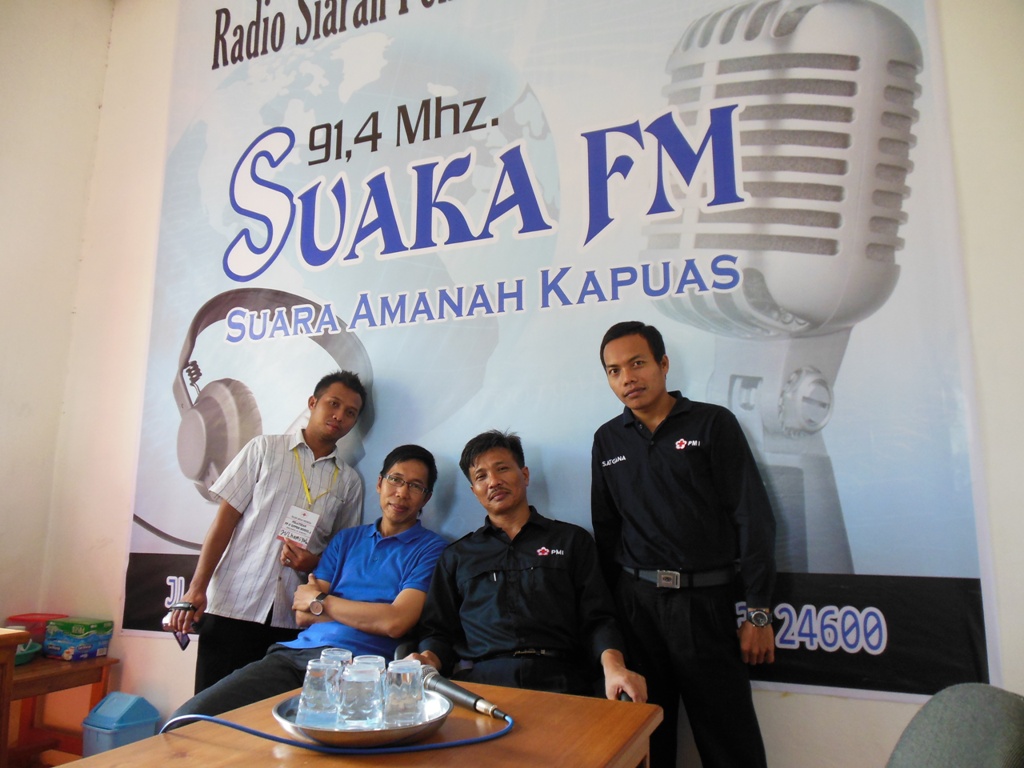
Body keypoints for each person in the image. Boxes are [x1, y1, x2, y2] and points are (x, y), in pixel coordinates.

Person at [591, 320, 777, 768]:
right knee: (645, 742)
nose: (628, 378)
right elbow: (607, 530)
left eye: (637, 363)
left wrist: (758, 611)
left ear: (663, 364)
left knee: (729, 743)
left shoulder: (712, 423)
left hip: (704, 606)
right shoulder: (607, 440)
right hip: (638, 608)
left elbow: (752, 517)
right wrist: (614, 620)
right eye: (615, 371)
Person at [168, 444, 449, 722]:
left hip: (363, 668)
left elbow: (395, 622)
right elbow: (302, 614)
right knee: (187, 719)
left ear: (426, 498)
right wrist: (363, 614)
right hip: (297, 656)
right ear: (379, 483)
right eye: (395, 480)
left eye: (415, 486)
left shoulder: (431, 549)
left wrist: (322, 602)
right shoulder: (346, 540)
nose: (402, 493)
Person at [168, 370, 367, 693]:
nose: (339, 416)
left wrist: (313, 563)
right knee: (211, 711)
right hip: (234, 605)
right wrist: (196, 589)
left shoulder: (349, 482)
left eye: (350, 412)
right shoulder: (263, 450)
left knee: (270, 715)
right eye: (333, 404)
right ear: (312, 403)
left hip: (293, 621)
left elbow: (342, 558)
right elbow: (223, 524)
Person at [412, 430, 646, 703]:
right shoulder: (457, 556)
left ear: (524, 475)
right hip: (483, 687)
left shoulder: (572, 541)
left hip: (564, 681)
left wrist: (614, 668)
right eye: (481, 476)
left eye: (502, 469)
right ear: (474, 491)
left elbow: (599, 619)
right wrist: (427, 658)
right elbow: (437, 630)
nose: (494, 482)